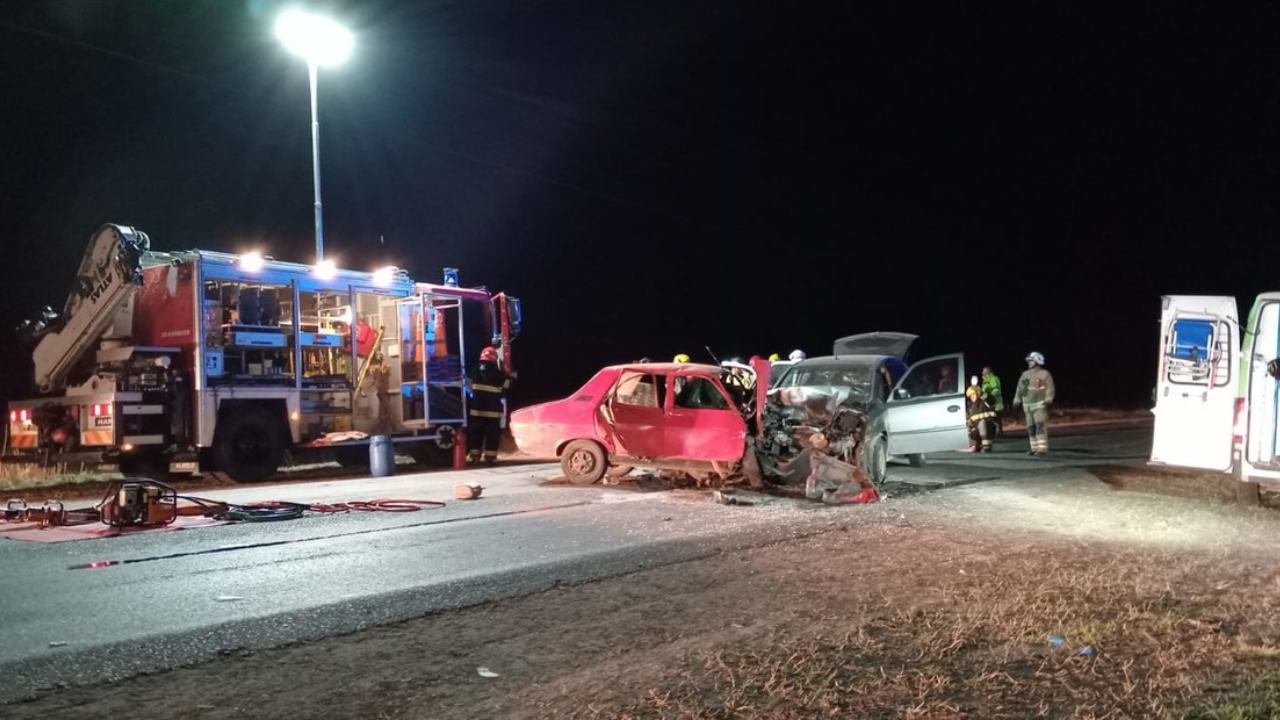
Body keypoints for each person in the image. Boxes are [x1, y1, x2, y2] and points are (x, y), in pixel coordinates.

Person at [466, 346, 516, 465]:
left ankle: (474, 456)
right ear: (494, 358)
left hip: (477, 409)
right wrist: (512, 375)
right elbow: (509, 385)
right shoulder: (497, 373)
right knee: (492, 434)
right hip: (493, 411)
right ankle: (489, 457)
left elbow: (467, 383)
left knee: (475, 433)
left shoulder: (473, 370)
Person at [1013, 351, 1055, 455]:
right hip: (1027, 406)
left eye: (1031, 361)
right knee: (1031, 427)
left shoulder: (1044, 374)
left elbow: (1050, 388)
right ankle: (1034, 448)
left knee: (1040, 426)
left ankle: (1042, 449)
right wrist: (1017, 400)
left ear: (1037, 361)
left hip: (1039, 405)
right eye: (1029, 361)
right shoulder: (1025, 374)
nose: (1029, 363)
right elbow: (1019, 389)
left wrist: (1049, 399)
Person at [963, 376, 998, 453]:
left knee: (982, 423)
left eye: (974, 395)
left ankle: (987, 447)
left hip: (990, 426)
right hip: (978, 430)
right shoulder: (970, 408)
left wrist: (981, 393)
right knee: (972, 430)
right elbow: (968, 421)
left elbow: (992, 400)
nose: (973, 397)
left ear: (978, 395)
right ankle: (978, 445)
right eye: (971, 396)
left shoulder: (984, 402)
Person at [981, 365, 1004, 435]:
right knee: (992, 417)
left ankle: (999, 433)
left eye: (984, 371)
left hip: (995, 401)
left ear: (987, 371)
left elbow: (996, 389)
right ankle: (995, 432)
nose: (982, 372)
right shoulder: (985, 380)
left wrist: (990, 396)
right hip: (989, 401)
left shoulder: (993, 378)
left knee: (997, 417)